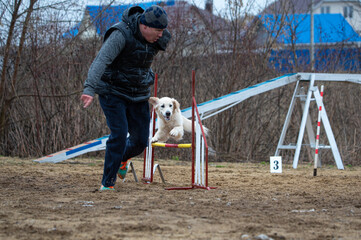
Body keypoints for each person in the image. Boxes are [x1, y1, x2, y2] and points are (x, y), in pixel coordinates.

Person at [80, 5, 171, 191]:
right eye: (158, 31)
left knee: (140, 141)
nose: (161, 35)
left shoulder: (159, 36)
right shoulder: (121, 34)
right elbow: (101, 60)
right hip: (112, 91)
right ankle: (108, 183)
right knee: (119, 135)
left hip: (138, 93)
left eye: (163, 31)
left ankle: (121, 160)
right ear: (144, 26)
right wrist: (89, 88)